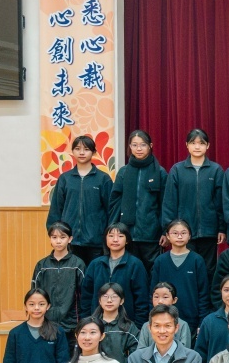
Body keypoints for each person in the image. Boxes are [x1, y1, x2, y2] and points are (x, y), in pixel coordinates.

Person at [160, 129, 225, 279]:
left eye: (201, 143)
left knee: (208, 271)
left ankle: (206, 296)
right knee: (186, 270)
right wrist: (167, 230)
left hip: (209, 231)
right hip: (182, 232)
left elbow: (220, 202)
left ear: (207, 146)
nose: (197, 147)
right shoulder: (177, 170)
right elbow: (169, 202)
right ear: (186, 145)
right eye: (193, 143)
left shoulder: (215, 170)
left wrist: (222, 228)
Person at [46, 134, 113, 265]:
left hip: (96, 242)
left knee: (94, 275)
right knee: (71, 275)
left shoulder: (103, 179)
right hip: (70, 241)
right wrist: (55, 233)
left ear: (93, 152)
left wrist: (107, 235)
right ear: (72, 151)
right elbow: (56, 208)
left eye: (86, 149)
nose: (82, 152)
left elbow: (111, 210)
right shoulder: (65, 179)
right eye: (77, 149)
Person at [110, 129, 168, 273]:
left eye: (143, 145)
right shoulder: (123, 172)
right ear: (130, 147)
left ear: (150, 146)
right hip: (127, 234)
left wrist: (165, 231)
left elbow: (165, 204)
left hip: (151, 234)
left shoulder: (160, 172)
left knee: (152, 272)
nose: (139, 149)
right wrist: (112, 228)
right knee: (129, 271)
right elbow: (115, 203)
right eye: (134, 145)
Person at [81, 222, 151, 326]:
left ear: (127, 240)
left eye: (120, 236)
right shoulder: (95, 264)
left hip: (126, 325)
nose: (115, 239)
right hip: (97, 324)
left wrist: (138, 327)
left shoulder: (135, 265)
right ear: (105, 239)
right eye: (111, 236)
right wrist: (86, 323)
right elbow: (86, 297)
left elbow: (142, 299)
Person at [149, 220, 211, 333]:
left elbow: (203, 294)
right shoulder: (160, 261)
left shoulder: (197, 260)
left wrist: (201, 322)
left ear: (189, 236)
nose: (179, 236)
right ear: (168, 236)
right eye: (175, 233)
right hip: (164, 319)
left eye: (183, 233)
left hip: (191, 320)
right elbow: (152, 293)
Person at [31, 223, 87, 341]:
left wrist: (82, 321)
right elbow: (35, 295)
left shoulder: (78, 264)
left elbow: (84, 295)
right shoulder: (42, 265)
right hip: (46, 323)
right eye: (54, 237)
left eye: (62, 237)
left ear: (70, 239)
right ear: (50, 239)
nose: (58, 241)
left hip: (72, 324)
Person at [136, 283, 194, 355]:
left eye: (165, 297)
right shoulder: (146, 326)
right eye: (156, 297)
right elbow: (140, 351)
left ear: (174, 300)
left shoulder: (182, 325)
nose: (160, 301)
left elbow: (185, 352)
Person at [94, 283, 140, 363]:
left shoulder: (129, 327)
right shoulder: (92, 325)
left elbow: (136, 355)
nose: (109, 300)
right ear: (99, 300)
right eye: (105, 296)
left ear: (121, 301)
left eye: (114, 297)